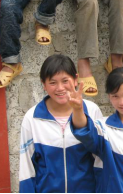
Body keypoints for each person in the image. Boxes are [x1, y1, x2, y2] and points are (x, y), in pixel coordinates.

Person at [19, 54, 103, 193]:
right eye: (52, 83)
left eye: (65, 81)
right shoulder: (32, 118)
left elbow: (101, 159)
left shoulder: (91, 111)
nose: (60, 88)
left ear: (75, 79)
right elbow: (26, 168)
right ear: (43, 84)